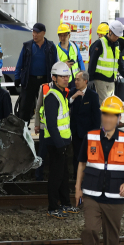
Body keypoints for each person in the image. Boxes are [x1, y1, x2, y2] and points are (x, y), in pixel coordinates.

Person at [75, 96, 124, 245]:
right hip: (92, 195)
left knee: (112, 238)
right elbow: (82, 164)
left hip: (115, 197)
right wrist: (77, 188)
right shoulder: (90, 136)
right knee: (90, 229)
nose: (108, 119)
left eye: (112, 115)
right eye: (105, 114)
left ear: (119, 118)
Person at [41, 61, 79, 219]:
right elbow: (51, 125)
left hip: (63, 143)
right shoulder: (52, 96)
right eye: (62, 76)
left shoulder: (63, 93)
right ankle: (52, 207)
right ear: (54, 78)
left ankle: (65, 203)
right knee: (56, 176)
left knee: (64, 175)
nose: (66, 78)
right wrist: (59, 145)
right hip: (55, 143)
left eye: (67, 76)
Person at [14, 23, 58, 123]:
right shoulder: (27, 46)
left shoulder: (51, 47)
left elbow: (55, 64)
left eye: (37, 32)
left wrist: (56, 79)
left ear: (43, 33)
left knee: (46, 107)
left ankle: (44, 131)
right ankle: (23, 133)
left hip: (45, 81)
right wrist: (17, 77)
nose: (34, 34)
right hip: (29, 81)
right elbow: (19, 63)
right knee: (24, 108)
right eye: (33, 32)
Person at [88, 20, 124, 103]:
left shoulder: (116, 45)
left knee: (109, 104)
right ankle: (100, 116)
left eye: (118, 36)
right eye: (116, 35)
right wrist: (90, 79)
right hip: (100, 80)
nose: (117, 38)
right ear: (110, 32)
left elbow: (119, 63)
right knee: (103, 104)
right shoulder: (99, 43)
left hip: (111, 80)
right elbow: (92, 62)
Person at [68, 71, 101, 179]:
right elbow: (65, 104)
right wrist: (73, 97)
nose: (75, 82)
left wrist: (96, 133)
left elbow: (96, 116)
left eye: (78, 80)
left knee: (89, 156)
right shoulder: (73, 91)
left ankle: (88, 178)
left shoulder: (93, 95)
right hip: (76, 131)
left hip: (88, 132)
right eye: (75, 80)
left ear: (85, 81)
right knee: (76, 156)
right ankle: (76, 177)